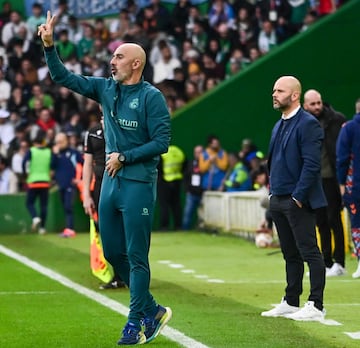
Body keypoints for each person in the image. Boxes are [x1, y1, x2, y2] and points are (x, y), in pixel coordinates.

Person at [38, 11, 172, 345]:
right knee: (112, 254)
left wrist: (124, 156)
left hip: (138, 182)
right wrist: (49, 47)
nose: (112, 61)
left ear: (136, 64)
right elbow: (63, 78)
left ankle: (134, 325)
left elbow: (162, 143)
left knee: (137, 257)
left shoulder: (152, 97)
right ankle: (153, 310)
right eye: (112, 55)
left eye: (119, 56)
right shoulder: (105, 89)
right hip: (111, 184)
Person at [261, 75, 327, 321]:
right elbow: (274, 160)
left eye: (280, 90)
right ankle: (291, 300)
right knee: (290, 253)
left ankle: (316, 305)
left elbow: (312, 164)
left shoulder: (308, 123)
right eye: (274, 90)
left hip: (297, 199)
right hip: (277, 197)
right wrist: (272, 191)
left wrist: (298, 197)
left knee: (309, 251)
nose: (274, 94)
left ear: (294, 95)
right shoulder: (279, 124)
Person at [303, 89, 346, 276]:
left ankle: (340, 262)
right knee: (320, 222)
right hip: (313, 180)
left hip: (331, 178)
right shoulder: (302, 123)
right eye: (312, 104)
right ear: (305, 106)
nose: (317, 107)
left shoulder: (336, 120)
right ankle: (326, 262)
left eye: (318, 103)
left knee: (333, 219)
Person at [82, 116, 126, 290]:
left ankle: (132, 275)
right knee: (108, 230)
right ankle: (118, 275)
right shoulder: (93, 132)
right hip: (101, 185)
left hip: (123, 182)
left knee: (127, 229)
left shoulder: (124, 126)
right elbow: (87, 163)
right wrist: (86, 193)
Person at [336, 98, 360, 279]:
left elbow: (342, 158)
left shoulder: (349, 128)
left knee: (357, 224)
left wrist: (342, 184)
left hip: (355, 186)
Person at [51, 132, 83, 237]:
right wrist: (55, 154)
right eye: (57, 142)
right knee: (65, 207)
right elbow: (52, 166)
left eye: (61, 141)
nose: (59, 144)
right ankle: (68, 228)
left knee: (68, 206)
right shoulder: (56, 154)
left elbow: (83, 164)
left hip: (71, 184)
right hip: (61, 184)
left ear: (66, 141)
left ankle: (70, 229)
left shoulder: (74, 153)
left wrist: (80, 179)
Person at [22, 131, 52, 234]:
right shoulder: (48, 151)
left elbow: (24, 163)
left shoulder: (32, 151)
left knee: (29, 203)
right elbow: (52, 165)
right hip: (45, 181)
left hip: (33, 181)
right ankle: (42, 228)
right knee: (44, 206)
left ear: (34, 142)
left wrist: (25, 175)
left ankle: (35, 217)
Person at [157, 144, 186, 231]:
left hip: (164, 181)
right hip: (177, 181)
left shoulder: (162, 153)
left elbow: (158, 167)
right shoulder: (178, 151)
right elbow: (185, 164)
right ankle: (178, 226)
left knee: (164, 205)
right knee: (176, 205)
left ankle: (164, 226)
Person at [182, 145, 203, 230]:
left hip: (202, 193)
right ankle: (185, 230)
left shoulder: (206, 164)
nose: (199, 154)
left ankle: (202, 230)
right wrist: (187, 190)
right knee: (187, 213)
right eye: (197, 152)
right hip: (191, 193)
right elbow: (185, 177)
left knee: (203, 214)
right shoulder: (190, 164)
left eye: (201, 152)